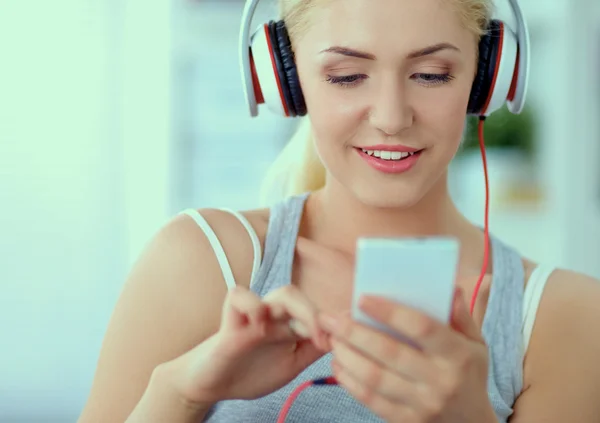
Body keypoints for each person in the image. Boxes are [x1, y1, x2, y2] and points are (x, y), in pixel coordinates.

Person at [77, 0, 600, 422]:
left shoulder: (563, 315)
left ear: (488, 77)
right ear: (286, 79)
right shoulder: (203, 259)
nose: (392, 118)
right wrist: (182, 391)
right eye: (347, 76)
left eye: (433, 74)